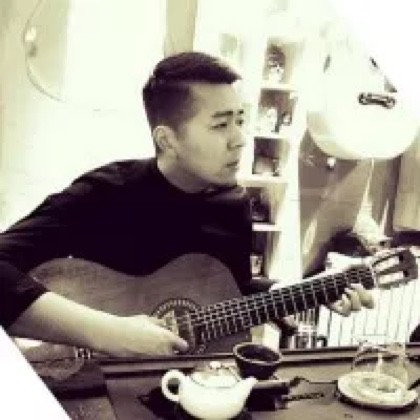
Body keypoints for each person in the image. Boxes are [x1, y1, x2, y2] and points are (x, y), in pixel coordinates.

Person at [0, 52, 373, 358]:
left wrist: (294, 292)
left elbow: (231, 290)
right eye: (220, 125)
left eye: (240, 120)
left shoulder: (233, 205)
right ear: (168, 139)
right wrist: (112, 334)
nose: (240, 139)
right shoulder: (105, 192)